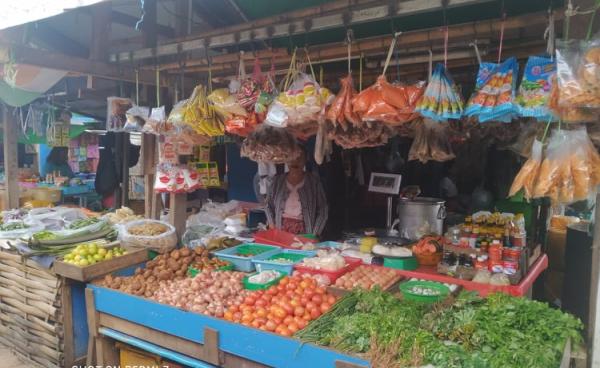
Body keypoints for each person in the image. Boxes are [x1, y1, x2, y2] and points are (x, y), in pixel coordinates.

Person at [265, 148, 328, 236]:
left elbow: (323, 210)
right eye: (291, 158)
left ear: (306, 160)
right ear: (286, 160)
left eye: (299, 158)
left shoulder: (314, 182)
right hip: (280, 230)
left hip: (306, 231)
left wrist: (315, 234)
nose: (295, 161)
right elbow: (268, 205)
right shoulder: (277, 181)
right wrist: (272, 225)